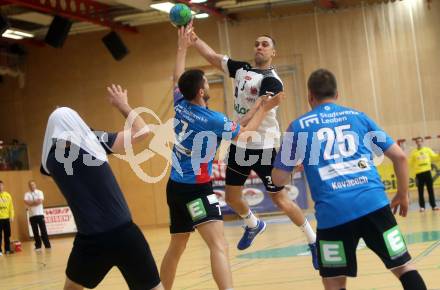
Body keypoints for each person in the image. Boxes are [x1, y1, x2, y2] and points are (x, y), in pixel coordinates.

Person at [272, 69, 427, 290]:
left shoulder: (298, 127)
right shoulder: (358, 117)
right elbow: (400, 157)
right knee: (404, 267)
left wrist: (295, 164)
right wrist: (402, 194)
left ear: (310, 97)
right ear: (337, 94)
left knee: (334, 282)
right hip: (374, 205)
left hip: (333, 214)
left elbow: (277, 179)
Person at [160, 24, 285, 290]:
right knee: (218, 245)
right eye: (206, 82)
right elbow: (246, 133)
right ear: (202, 92)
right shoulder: (214, 120)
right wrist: (263, 107)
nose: (208, 83)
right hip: (198, 190)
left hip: (174, 188)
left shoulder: (180, 105)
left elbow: (176, 77)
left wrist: (182, 47)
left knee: (177, 245)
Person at [190, 28, 318, 266]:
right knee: (231, 197)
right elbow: (214, 58)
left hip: (264, 147)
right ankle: (253, 224)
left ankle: (313, 240)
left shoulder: (272, 80)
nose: (259, 47)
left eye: (265, 44)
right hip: (241, 145)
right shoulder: (241, 70)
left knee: (280, 199)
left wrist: (236, 124)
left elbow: (260, 108)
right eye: (257, 43)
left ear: (273, 52)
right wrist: (195, 39)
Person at [40, 86, 163, 290]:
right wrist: (122, 104)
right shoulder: (93, 143)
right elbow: (143, 132)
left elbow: (46, 161)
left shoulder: (51, 161)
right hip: (125, 235)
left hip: (89, 242)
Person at [409, 137, 439, 212]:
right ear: (416, 143)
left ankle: (434, 206)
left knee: (430, 190)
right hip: (419, 174)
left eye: (420, 141)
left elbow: (435, 157)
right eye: (417, 141)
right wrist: (415, 175)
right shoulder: (413, 152)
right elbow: (410, 164)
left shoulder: (427, 150)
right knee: (420, 191)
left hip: (427, 173)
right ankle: (422, 207)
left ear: (422, 142)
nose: (419, 143)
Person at [24, 180, 51, 251]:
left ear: (35, 185)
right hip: (32, 215)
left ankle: (47, 245)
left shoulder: (40, 192)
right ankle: (38, 246)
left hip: (40, 214)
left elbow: (40, 202)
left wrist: (32, 203)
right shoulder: (27, 194)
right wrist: (35, 202)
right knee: (35, 231)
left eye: (33, 185)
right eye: (30, 185)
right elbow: (27, 202)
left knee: (43, 230)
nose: (32, 186)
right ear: (29, 186)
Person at [0, 180, 14, 256]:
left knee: (7, 235)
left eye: (1, 185)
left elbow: (11, 207)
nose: (0, 187)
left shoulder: (8, 195)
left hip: (6, 219)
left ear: (3, 186)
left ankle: (7, 249)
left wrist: (11, 216)